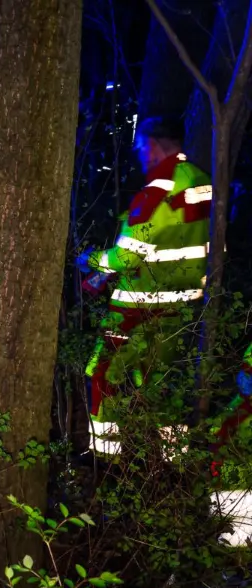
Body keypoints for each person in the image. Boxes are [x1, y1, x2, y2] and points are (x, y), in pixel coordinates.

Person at [76, 117, 211, 457]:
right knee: (162, 382)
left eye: (141, 145)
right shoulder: (200, 181)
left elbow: (127, 256)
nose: (138, 152)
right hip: (184, 304)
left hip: (139, 304)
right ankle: (171, 463)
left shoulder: (158, 189)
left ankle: (103, 458)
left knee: (103, 373)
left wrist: (91, 262)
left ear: (154, 144)